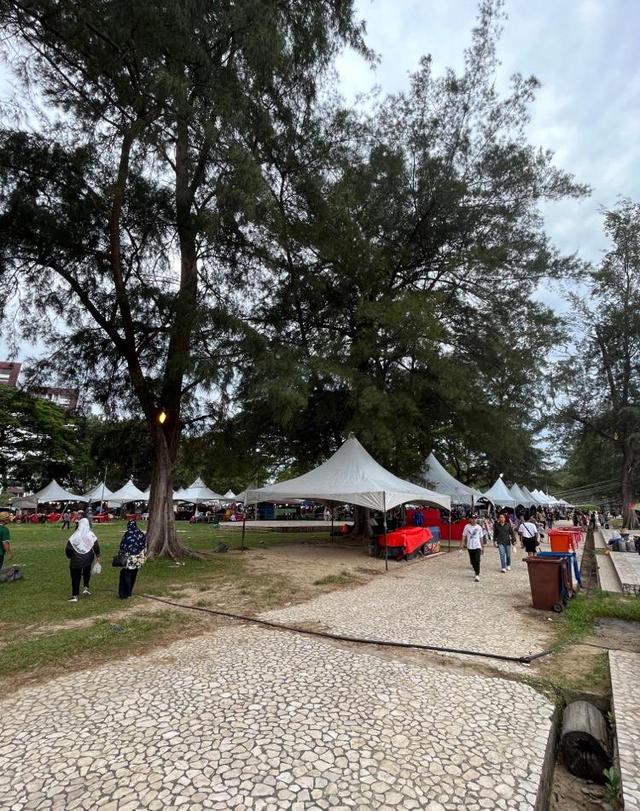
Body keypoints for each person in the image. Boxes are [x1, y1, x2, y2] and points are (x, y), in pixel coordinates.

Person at [65, 517, 100, 602]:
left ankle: (75, 595)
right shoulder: (91, 534)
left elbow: (68, 548)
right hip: (88, 558)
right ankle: (86, 587)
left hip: (76, 560)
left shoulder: (75, 536)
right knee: (86, 572)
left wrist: (70, 556)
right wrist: (98, 555)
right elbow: (96, 545)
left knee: (75, 577)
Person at [117, 520, 147, 599]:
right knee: (134, 574)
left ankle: (125, 592)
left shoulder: (128, 534)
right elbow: (144, 545)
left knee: (126, 574)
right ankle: (130, 590)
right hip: (138, 558)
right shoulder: (141, 534)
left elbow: (123, 545)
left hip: (129, 558)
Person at [462, 514, 484, 582]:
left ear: (476, 519)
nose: (473, 520)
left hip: (477, 546)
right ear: (470, 519)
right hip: (470, 546)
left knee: (477, 560)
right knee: (473, 561)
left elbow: (481, 537)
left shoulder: (479, 527)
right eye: (472, 518)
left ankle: (477, 575)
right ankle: (475, 570)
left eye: (475, 518)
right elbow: (464, 535)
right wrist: (462, 543)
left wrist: (482, 547)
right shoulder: (466, 527)